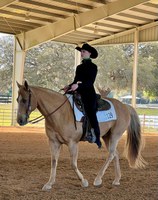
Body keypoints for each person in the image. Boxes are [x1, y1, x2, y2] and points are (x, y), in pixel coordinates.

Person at [64, 43, 102, 148]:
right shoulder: (79, 67)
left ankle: (97, 137)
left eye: (83, 51)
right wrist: (69, 86)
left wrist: (78, 86)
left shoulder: (93, 67)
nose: (81, 53)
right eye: (81, 51)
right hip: (78, 91)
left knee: (91, 112)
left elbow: (90, 82)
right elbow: (76, 81)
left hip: (89, 93)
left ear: (89, 53)